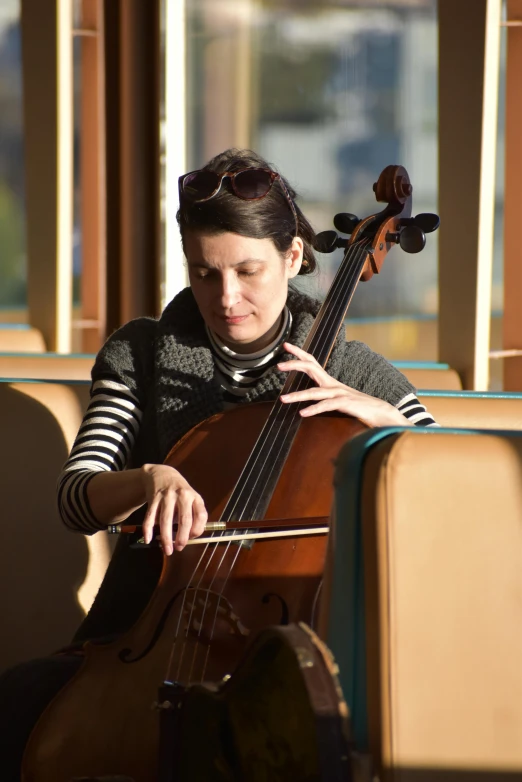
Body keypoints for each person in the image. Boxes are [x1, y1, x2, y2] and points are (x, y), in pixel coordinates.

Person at [0, 148, 436, 779]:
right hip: (144, 637)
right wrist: (149, 478)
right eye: (204, 273)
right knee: (18, 703)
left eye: (247, 271)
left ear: (292, 258)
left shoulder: (358, 373)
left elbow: (459, 497)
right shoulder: (141, 354)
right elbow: (76, 497)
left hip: (296, 651)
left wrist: (387, 424)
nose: (226, 297)